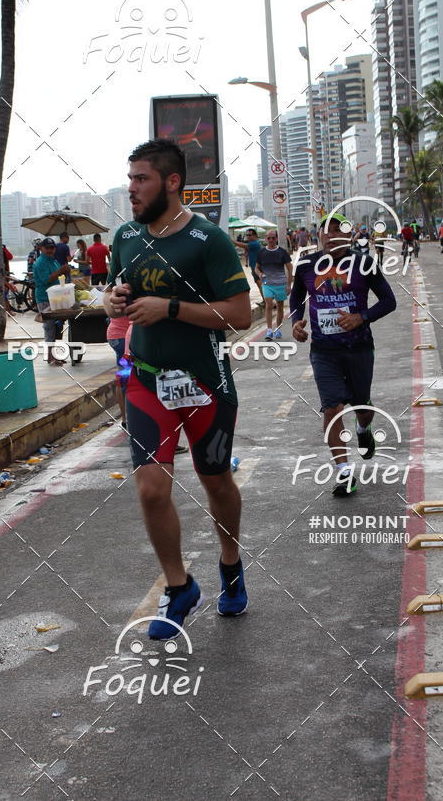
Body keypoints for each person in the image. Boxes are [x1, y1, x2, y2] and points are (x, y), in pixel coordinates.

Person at [104, 138, 251, 640]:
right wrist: (113, 301)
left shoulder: (209, 240)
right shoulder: (126, 236)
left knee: (217, 483)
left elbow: (239, 314)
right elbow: (115, 291)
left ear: (171, 182)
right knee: (150, 489)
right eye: (129, 179)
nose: (131, 189)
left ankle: (230, 563)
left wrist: (169, 308)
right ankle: (179, 586)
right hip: (146, 380)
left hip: (204, 382)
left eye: (141, 179)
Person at [289, 212, 397, 496]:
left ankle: (363, 429)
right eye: (328, 230)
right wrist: (296, 321)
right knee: (332, 408)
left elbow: (389, 301)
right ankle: (344, 473)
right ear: (319, 235)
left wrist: (361, 317)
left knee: (362, 408)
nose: (333, 235)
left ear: (349, 236)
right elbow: (296, 296)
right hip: (324, 351)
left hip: (359, 348)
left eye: (339, 230)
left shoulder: (364, 264)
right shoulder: (306, 265)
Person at [33, 238, 71, 365]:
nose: (50, 250)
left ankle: (53, 355)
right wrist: (60, 271)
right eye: (47, 248)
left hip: (56, 298)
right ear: (41, 248)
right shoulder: (40, 263)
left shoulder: (53, 261)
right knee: (49, 327)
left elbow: (59, 277)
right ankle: (50, 357)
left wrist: (65, 271)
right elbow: (46, 280)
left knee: (55, 327)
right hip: (44, 298)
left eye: (52, 248)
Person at [254, 230, 292, 341]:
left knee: (280, 306)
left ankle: (278, 329)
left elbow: (290, 268)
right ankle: (269, 330)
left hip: (280, 284)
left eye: (273, 238)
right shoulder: (261, 252)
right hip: (267, 283)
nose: (271, 240)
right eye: (268, 238)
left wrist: (289, 285)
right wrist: (260, 274)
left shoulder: (282, 252)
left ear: (276, 238)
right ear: (265, 239)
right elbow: (256, 268)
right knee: (269, 304)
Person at [106, 313, 131, 428]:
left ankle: (125, 418)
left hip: (116, 336)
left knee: (122, 377)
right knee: (124, 378)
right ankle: (127, 419)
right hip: (123, 338)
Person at [233, 228, 264, 301]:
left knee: (260, 285)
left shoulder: (254, 243)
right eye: (246, 235)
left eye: (249, 235)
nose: (248, 237)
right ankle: (266, 301)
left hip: (256, 268)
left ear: (255, 235)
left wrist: (231, 240)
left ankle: (266, 301)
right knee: (262, 284)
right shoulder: (255, 243)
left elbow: (241, 245)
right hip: (257, 267)